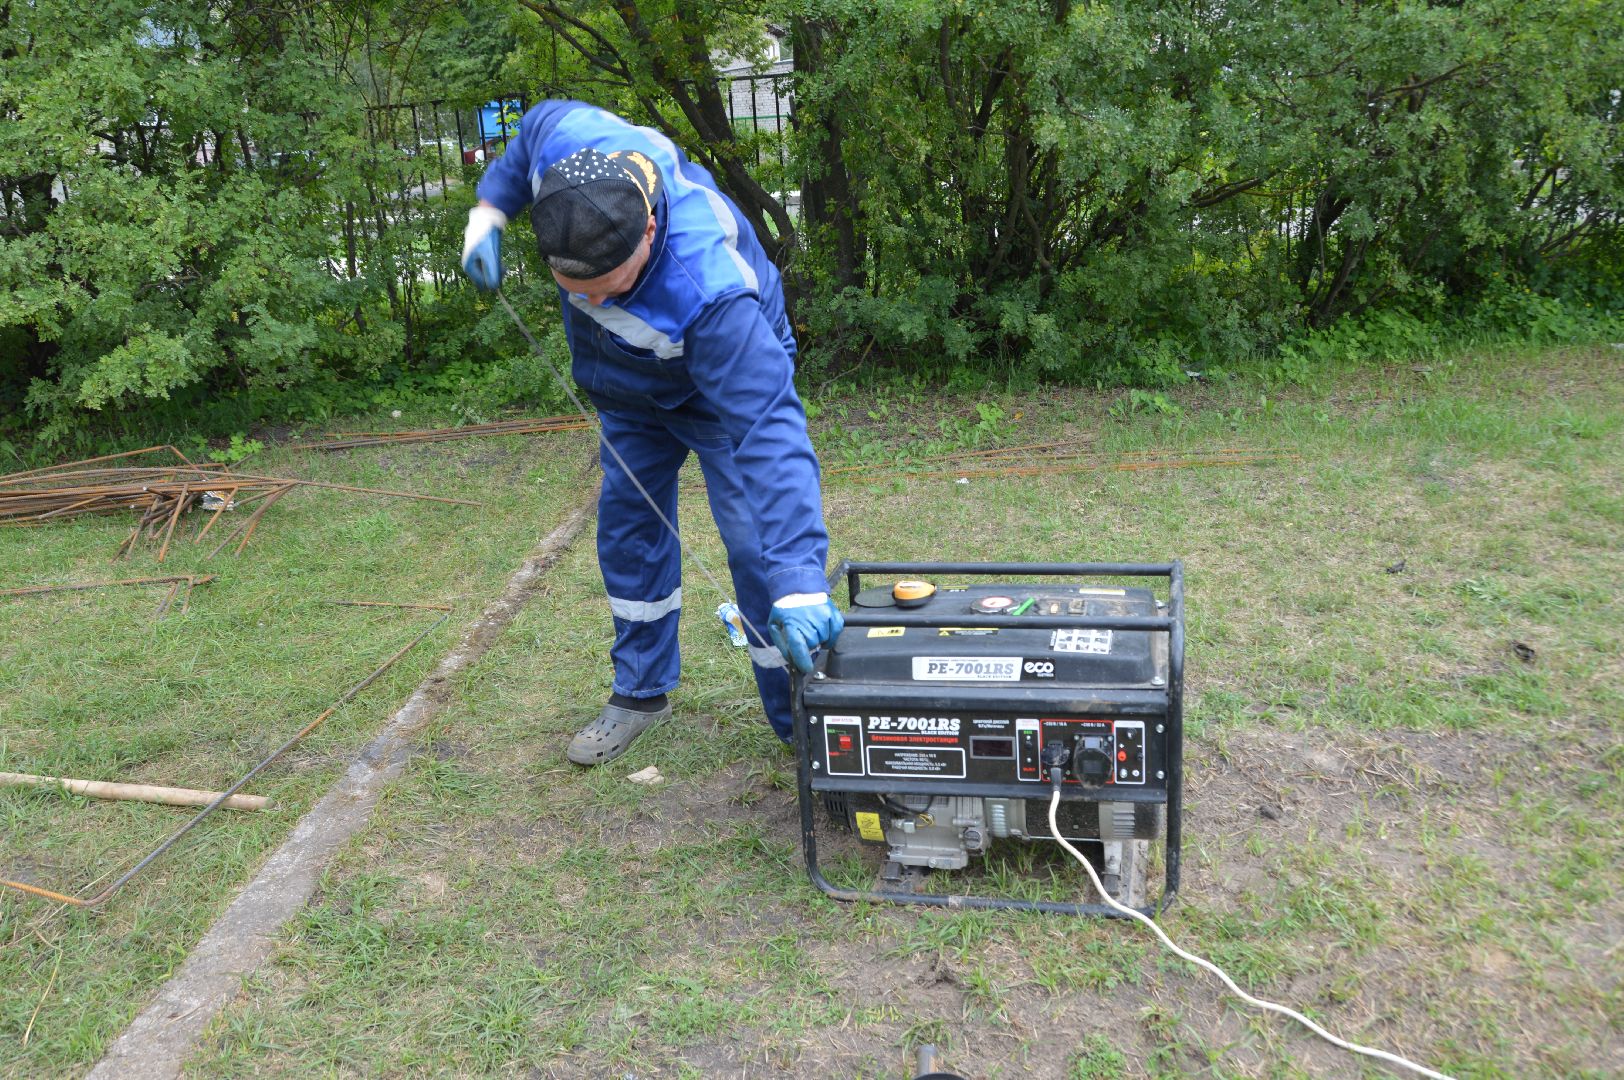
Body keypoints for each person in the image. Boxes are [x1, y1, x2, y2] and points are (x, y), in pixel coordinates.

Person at [460, 100, 842, 765]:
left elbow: (768, 429)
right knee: (630, 533)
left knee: (757, 552)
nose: (597, 305)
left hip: (718, 394)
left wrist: (801, 579)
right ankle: (639, 694)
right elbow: (528, 136)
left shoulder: (713, 291)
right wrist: (489, 211)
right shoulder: (572, 147)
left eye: (615, 289)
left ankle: (801, 720)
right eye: (582, 292)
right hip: (630, 399)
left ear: (649, 229)